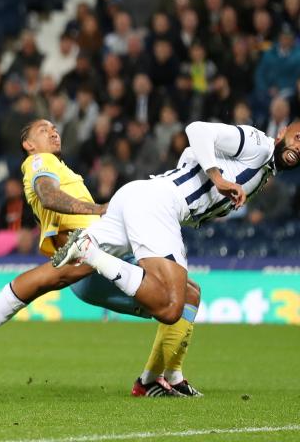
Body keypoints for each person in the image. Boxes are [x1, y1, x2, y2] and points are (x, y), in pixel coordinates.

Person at [0, 119, 204, 397]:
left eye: (54, 128)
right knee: (50, 279)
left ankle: (159, 378)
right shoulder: (39, 161)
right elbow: (48, 195)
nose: (53, 132)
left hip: (99, 258)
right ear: (28, 144)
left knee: (186, 295)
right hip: (87, 257)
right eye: (43, 130)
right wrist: (98, 208)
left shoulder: (59, 167)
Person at [54, 120, 300, 375]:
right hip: (159, 204)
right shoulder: (258, 143)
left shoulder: (264, 169)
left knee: (189, 295)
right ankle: (90, 252)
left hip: (142, 197)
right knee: (172, 306)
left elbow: (192, 151)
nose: (298, 147)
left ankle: (160, 378)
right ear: (282, 132)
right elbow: (197, 130)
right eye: (298, 137)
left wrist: (193, 167)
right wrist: (217, 179)